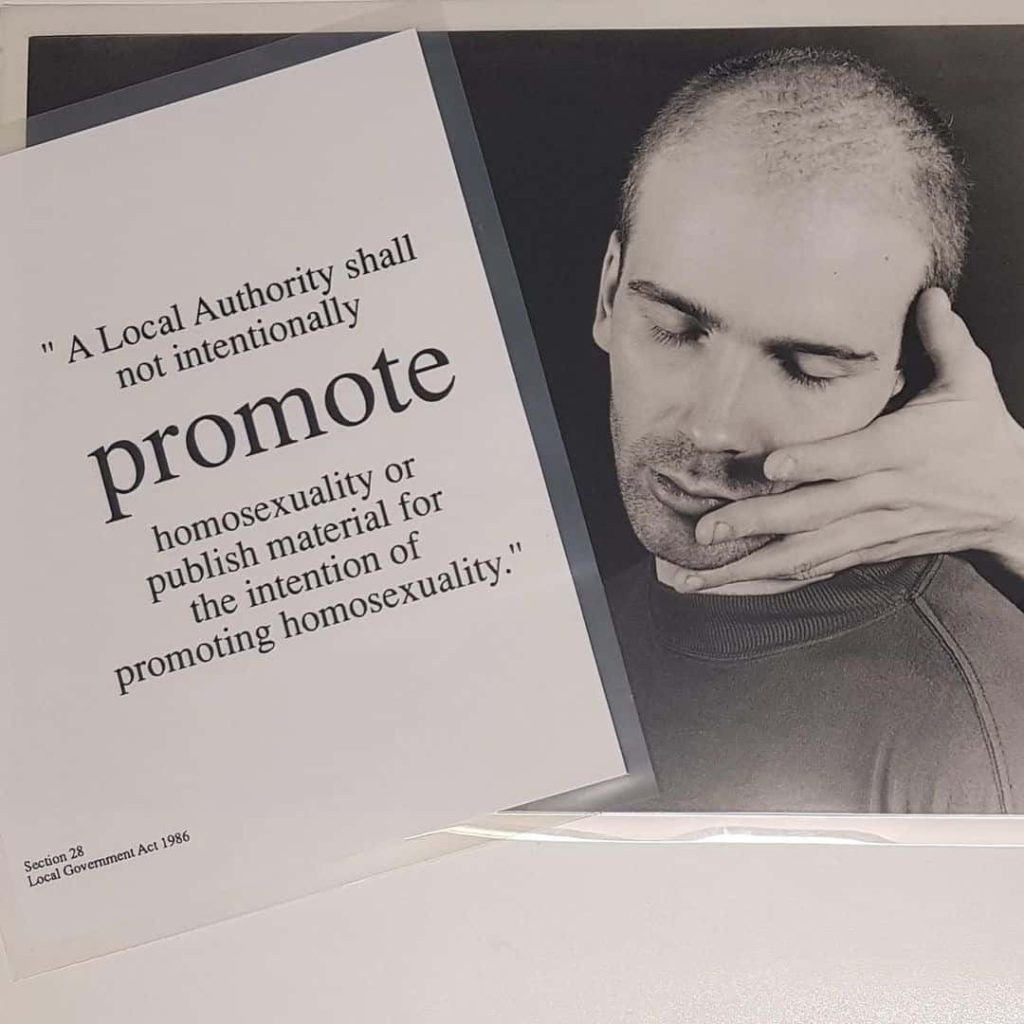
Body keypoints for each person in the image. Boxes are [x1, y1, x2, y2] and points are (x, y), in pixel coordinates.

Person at [594, 47, 1024, 813]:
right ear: (607, 295)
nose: (714, 424)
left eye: (807, 368)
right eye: (674, 327)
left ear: (905, 375)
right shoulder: (559, 634)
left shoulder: (975, 730)